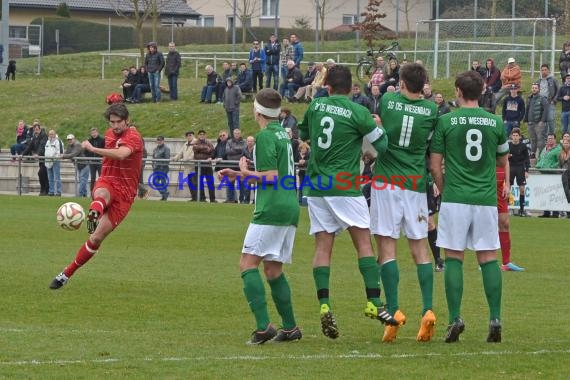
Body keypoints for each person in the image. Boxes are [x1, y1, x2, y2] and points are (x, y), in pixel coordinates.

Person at [298, 65, 397, 340]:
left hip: (317, 186)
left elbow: (304, 132)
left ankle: (324, 304)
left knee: (322, 245)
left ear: (328, 85)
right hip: (344, 186)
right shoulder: (358, 111)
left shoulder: (317, 106)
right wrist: (375, 130)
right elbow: (383, 146)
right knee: (364, 243)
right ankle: (374, 303)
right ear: (351, 87)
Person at [430, 70, 509, 343]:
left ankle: (455, 319)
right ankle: (495, 317)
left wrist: (443, 185)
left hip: (456, 197)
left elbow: (434, 164)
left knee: (453, 257)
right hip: (485, 198)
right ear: (482, 91)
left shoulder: (446, 121)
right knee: (488, 258)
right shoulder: (496, 121)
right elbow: (502, 160)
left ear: (458, 91)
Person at [218, 88, 301, 344]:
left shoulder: (265, 136)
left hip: (272, 208)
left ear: (257, 111)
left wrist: (241, 174)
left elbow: (271, 176)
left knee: (247, 264)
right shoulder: (283, 134)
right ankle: (290, 327)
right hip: (289, 206)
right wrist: (248, 170)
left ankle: (264, 326)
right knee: (273, 269)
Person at [370, 62, 438, 343]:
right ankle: (428, 309)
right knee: (420, 248)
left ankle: (394, 312)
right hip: (414, 184)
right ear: (423, 84)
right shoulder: (432, 110)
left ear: (400, 81)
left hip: (386, 181)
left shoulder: (388, 100)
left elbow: (379, 129)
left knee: (387, 246)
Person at [49, 103, 144, 289]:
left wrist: (93, 149)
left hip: (125, 194)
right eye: (112, 122)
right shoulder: (109, 134)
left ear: (127, 121)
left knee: (96, 239)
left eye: (119, 122)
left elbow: (122, 154)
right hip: (107, 180)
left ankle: (67, 272)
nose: (115, 126)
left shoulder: (133, 136)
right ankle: (95, 211)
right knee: (101, 194)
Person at [497, 163, 525, 271]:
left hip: (500, 189)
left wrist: (507, 184)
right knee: (487, 224)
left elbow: (505, 161)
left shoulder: (502, 146)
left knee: (505, 223)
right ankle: (485, 262)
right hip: (486, 186)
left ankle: (506, 263)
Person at [22, 120, 49, 196]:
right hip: (41, 160)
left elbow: (42, 146)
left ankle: (45, 190)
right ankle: (43, 190)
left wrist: (38, 154)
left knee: (42, 173)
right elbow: (29, 147)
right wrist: (22, 154)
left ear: (39, 129)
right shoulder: (34, 136)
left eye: (37, 129)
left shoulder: (43, 135)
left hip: (45, 158)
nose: (36, 131)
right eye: (35, 129)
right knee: (42, 174)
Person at [524, 82, 549, 158]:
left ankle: (541, 154)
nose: (534, 89)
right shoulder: (529, 98)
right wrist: (526, 120)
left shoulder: (543, 98)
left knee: (540, 139)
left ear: (539, 89)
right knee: (532, 139)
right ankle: (533, 153)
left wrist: (542, 121)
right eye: (533, 88)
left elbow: (546, 110)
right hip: (530, 122)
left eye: (535, 88)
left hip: (539, 123)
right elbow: (527, 109)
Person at [193, 129, 216, 203]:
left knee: (210, 182)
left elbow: (212, 152)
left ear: (205, 135)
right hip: (199, 166)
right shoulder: (195, 143)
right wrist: (206, 149)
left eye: (203, 134)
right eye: (200, 134)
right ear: (198, 136)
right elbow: (196, 152)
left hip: (208, 165)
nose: (202, 135)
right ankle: (202, 198)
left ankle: (212, 199)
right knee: (200, 183)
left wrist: (210, 157)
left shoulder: (209, 142)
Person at [225, 128, 246, 203]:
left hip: (240, 166)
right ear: (233, 134)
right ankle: (231, 200)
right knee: (230, 183)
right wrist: (238, 150)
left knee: (242, 184)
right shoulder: (229, 141)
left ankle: (242, 200)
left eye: (238, 133)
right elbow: (227, 151)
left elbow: (244, 150)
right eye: (235, 133)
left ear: (240, 134)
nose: (237, 135)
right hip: (231, 166)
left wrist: (233, 149)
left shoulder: (243, 142)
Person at [174, 131, 197, 201]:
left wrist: (186, 159)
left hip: (194, 166)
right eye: (187, 136)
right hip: (187, 167)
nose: (189, 137)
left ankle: (196, 197)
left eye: (190, 135)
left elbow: (194, 154)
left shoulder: (196, 143)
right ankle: (193, 197)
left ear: (193, 135)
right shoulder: (185, 144)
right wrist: (175, 158)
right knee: (190, 182)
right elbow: (180, 153)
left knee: (194, 182)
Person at [44, 129, 63, 196]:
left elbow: (59, 152)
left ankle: (58, 192)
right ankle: (51, 191)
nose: (51, 135)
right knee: (50, 177)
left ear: (55, 134)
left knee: (57, 177)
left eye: (52, 134)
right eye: (50, 134)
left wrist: (54, 157)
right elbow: (46, 151)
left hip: (55, 161)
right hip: (48, 161)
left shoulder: (58, 141)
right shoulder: (47, 142)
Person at [87, 127, 105, 192]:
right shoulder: (89, 141)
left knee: (101, 177)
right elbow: (86, 151)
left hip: (100, 162)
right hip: (92, 162)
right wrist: (89, 158)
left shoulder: (102, 140)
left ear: (97, 133)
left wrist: (102, 157)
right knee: (92, 178)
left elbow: (105, 149)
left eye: (95, 133)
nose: (94, 134)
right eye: (92, 133)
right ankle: (92, 191)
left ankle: (101, 190)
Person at [152, 135, 171, 201]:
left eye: (160, 140)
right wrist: (153, 166)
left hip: (163, 168)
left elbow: (167, 159)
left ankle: (164, 196)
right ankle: (165, 193)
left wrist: (163, 166)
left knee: (163, 183)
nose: (159, 141)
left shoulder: (166, 149)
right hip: (156, 168)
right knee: (155, 182)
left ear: (163, 141)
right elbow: (153, 158)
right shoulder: (155, 149)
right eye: (158, 140)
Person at [240, 135, 255, 204]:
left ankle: (255, 201)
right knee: (247, 186)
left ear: (254, 142)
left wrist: (250, 161)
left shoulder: (257, 149)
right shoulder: (244, 149)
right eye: (248, 141)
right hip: (248, 170)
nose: (250, 142)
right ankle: (246, 200)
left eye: (251, 141)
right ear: (246, 142)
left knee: (256, 186)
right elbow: (242, 157)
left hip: (255, 170)